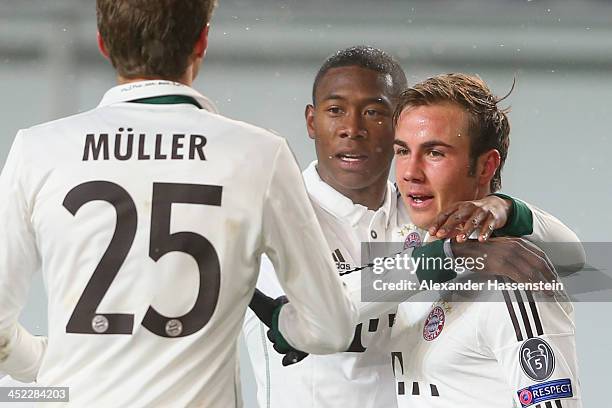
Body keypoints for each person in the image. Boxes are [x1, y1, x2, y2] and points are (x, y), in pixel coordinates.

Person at [0, 1, 359, 406]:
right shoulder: (259, 154)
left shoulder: (38, 149)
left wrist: (45, 364)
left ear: (103, 43)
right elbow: (331, 327)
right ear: (202, 40)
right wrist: (283, 323)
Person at [243, 47, 584, 408]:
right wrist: (446, 256)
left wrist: (509, 209)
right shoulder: (271, 218)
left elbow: (579, 262)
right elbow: (325, 309)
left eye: (434, 152)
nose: (352, 129)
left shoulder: (493, 265)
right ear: (311, 120)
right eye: (405, 150)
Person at [390, 73, 582, 407]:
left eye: (434, 153)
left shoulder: (514, 281)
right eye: (403, 150)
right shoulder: (406, 254)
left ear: (485, 167)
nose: (410, 171)